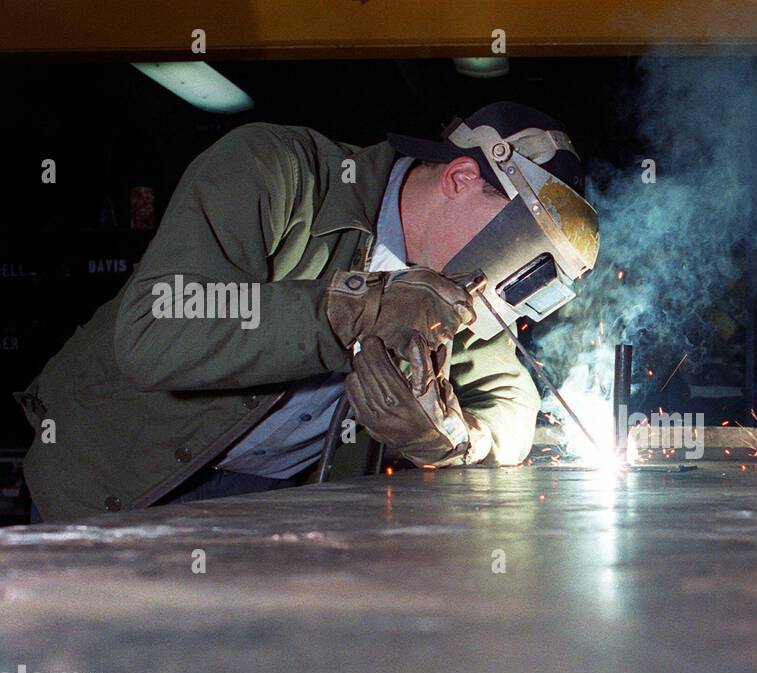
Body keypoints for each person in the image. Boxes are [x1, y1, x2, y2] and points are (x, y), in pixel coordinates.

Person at [14, 102, 599, 522]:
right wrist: (351, 309)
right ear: (462, 176)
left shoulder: (458, 292)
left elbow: (515, 404)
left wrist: (457, 439)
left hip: (269, 507)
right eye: (518, 252)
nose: (503, 288)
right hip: (112, 483)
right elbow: (154, 331)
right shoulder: (279, 172)